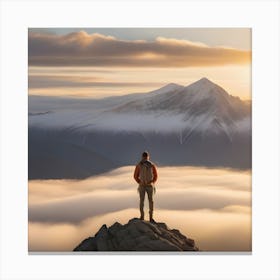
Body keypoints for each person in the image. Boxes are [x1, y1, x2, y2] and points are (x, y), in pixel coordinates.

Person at [133, 151, 158, 222]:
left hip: (143, 185)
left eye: (145, 156)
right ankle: (150, 218)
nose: (145, 158)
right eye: (145, 157)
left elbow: (135, 176)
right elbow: (155, 175)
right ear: (148, 156)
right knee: (150, 202)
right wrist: (152, 182)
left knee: (142, 201)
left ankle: (142, 217)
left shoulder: (139, 165)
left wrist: (139, 182)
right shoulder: (151, 165)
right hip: (149, 186)